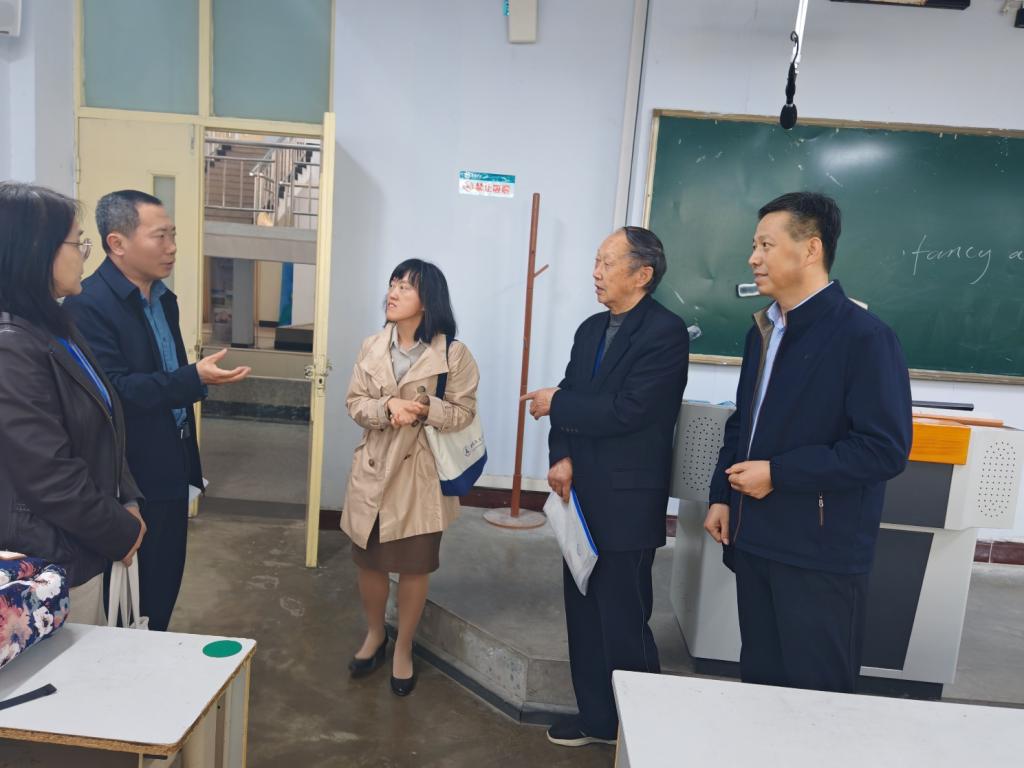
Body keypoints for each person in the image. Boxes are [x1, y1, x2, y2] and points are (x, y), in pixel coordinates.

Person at [703, 191, 912, 693]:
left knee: (818, 698)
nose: (753, 258)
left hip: (819, 554)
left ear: (811, 248)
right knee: (761, 682)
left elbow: (883, 449)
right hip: (755, 540)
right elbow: (744, 423)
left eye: (766, 245)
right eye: (754, 246)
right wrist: (721, 495)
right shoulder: (763, 331)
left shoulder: (864, 338)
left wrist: (779, 473)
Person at [522, 226, 689, 747]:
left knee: (623, 621)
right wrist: (561, 456)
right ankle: (597, 719)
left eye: (607, 263)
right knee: (583, 614)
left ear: (643, 274)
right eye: (596, 261)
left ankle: (643, 731)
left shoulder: (665, 333)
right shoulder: (591, 328)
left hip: (628, 501)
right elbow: (571, 393)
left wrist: (557, 403)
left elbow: (630, 411)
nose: (595, 273)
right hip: (580, 498)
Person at [64, 190, 250, 632]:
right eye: (160, 236)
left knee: (163, 585)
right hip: (129, 474)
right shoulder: (88, 305)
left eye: (173, 235)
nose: (172, 247)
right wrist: (194, 377)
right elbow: (115, 392)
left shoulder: (164, 299)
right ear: (117, 243)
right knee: (127, 599)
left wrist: (191, 380)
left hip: (173, 460)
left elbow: (166, 375)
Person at [0, 181, 146, 625]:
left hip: (82, 540)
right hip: (46, 561)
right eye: (77, 243)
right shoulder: (11, 346)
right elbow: (48, 473)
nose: (84, 255)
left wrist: (127, 498)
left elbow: (105, 419)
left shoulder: (55, 326)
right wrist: (121, 531)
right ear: (35, 251)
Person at [342, 259, 480, 697]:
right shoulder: (371, 346)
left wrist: (423, 409)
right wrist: (387, 408)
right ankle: (374, 635)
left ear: (428, 299)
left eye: (406, 286)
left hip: (420, 475)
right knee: (369, 561)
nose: (394, 292)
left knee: (414, 566)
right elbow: (354, 402)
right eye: (392, 284)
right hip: (373, 467)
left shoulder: (453, 354)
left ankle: (403, 646)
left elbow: (463, 413)